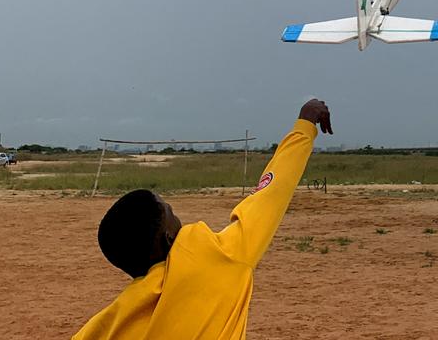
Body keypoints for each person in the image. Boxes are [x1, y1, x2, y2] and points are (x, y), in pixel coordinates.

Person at [73, 99, 333, 340]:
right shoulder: (217, 261)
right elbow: (271, 195)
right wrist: (304, 125)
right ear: (168, 237)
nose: (178, 218)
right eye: (170, 212)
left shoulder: (110, 322)